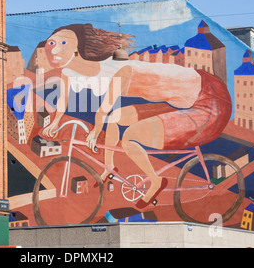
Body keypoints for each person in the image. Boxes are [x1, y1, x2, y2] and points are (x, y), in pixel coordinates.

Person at [42, 23, 232, 208]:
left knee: (130, 136)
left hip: (210, 101)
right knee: (115, 117)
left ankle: (156, 181)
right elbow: (63, 99)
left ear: (77, 50)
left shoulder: (117, 69)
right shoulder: (68, 72)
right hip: (176, 102)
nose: (54, 48)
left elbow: (103, 108)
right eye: (51, 43)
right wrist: (55, 122)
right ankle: (110, 166)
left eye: (63, 43)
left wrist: (95, 131)